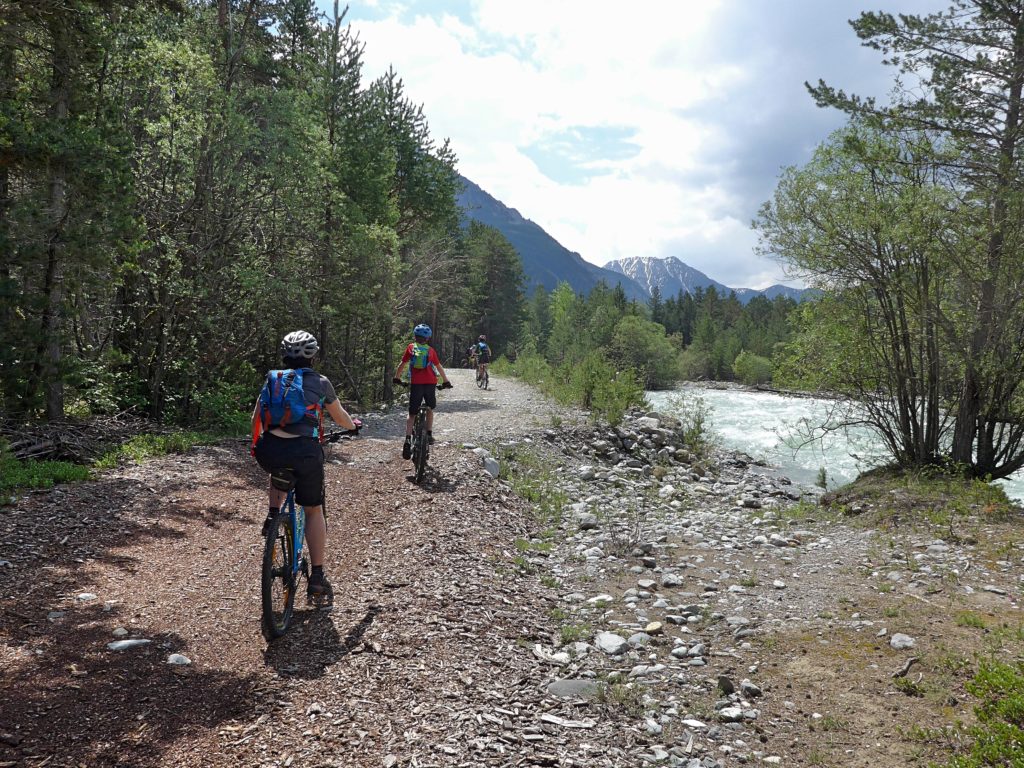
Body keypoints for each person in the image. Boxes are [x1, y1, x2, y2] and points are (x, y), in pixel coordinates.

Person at [251, 330, 358, 603]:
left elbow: (256, 417)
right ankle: (318, 577)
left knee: (279, 469)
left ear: (284, 355)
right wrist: (353, 426)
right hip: (305, 453)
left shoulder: (272, 379)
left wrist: (261, 443)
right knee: (312, 509)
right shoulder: (320, 382)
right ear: (314, 356)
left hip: (270, 450)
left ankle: (274, 514)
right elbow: (340, 416)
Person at [392, 323, 452, 459]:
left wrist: (396, 378)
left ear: (415, 336)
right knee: (430, 408)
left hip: (416, 384)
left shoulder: (411, 348)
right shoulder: (431, 351)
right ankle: (429, 434)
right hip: (430, 383)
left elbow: (402, 364)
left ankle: (407, 439)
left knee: (412, 413)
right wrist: (446, 381)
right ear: (428, 338)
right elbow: (439, 367)